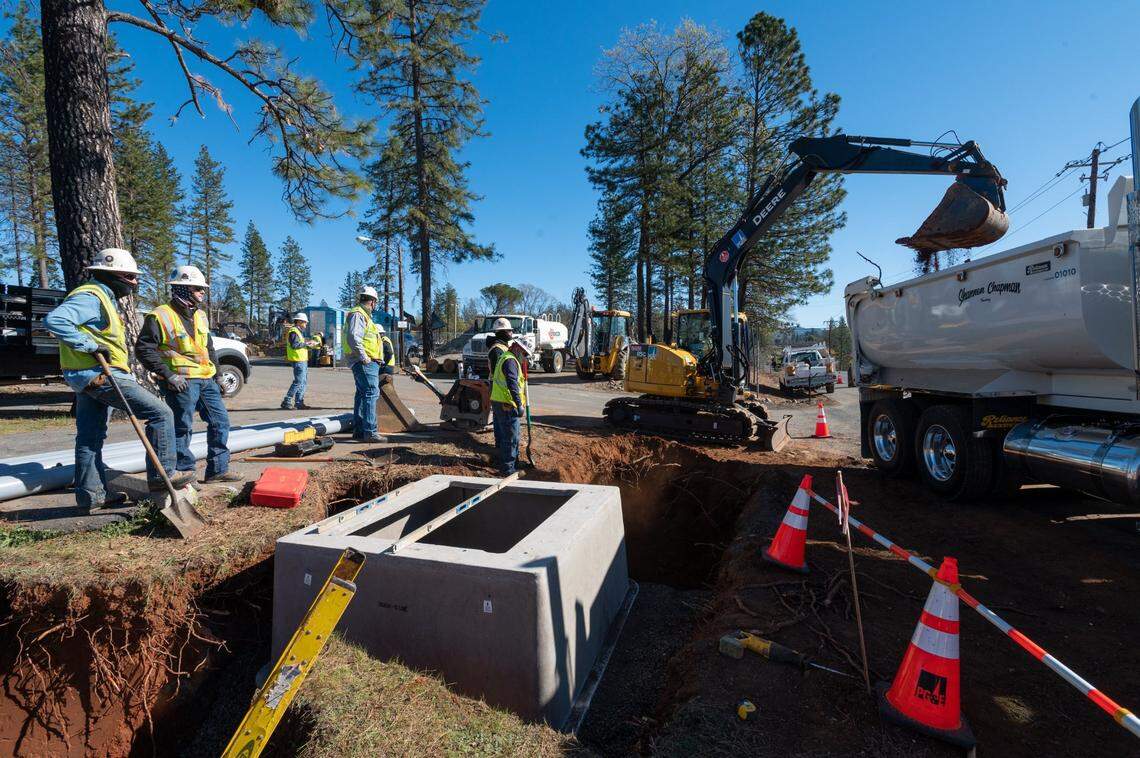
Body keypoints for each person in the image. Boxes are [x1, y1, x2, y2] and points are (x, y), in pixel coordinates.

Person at [45, 248, 193, 513]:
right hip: (102, 374)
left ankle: (92, 497)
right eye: (130, 277)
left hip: (87, 378)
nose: (135, 282)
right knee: (161, 413)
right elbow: (56, 320)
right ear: (112, 275)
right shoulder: (92, 296)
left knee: (90, 438)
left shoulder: (101, 297)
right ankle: (163, 477)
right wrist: (89, 344)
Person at [135, 265, 242, 484]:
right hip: (181, 381)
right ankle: (186, 472)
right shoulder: (160, 315)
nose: (202, 293)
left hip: (206, 379)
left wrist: (219, 374)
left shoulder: (201, 315)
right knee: (182, 427)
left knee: (221, 422)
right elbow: (144, 349)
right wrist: (168, 375)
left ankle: (218, 470)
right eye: (197, 289)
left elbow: (208, 348)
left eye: (202, 289)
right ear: (182, 289)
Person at [342, 285, 386, 443]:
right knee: (371, 393)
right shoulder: (359, 314)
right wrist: (364, 357)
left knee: (362, 394)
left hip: (364, 361)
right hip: (364, 361)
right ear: (373, 301)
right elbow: (354, 336)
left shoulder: (362, 315)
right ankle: (370, 431)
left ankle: (360, 431)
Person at [489, 319, 531, 475]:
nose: (525, 357)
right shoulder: (510, 361)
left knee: (509, 435)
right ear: (519, 349)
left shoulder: (507, 355)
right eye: (525, 354)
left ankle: (511, 463)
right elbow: (512, 383)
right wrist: (519, 404)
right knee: (510, 438)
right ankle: (508, 469)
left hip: (501, 400)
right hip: (507, 403)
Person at [281, 312, 317, 410]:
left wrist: (307, 344)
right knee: (298, 381)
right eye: (305, 322)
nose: (306, 324)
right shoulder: (294, 331)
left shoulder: (298, 331)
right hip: (298, 360)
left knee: (303, 382)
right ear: (300, 322)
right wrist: (307, 344)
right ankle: (287, 401)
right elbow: (295, 345)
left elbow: (299, 344)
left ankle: (299, 402)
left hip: (302, 360)